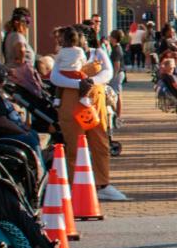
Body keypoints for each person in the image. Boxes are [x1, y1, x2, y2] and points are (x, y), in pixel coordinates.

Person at [50, 24, 123, 203]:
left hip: (95, 103)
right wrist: (78, 85)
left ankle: (103, 184)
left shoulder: (97, 53)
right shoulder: (65, 55)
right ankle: (76, 184)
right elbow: (55, 77)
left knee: (100, 142)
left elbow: (108, 72)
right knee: (74, 144)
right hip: (71, 103)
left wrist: (90, 81)